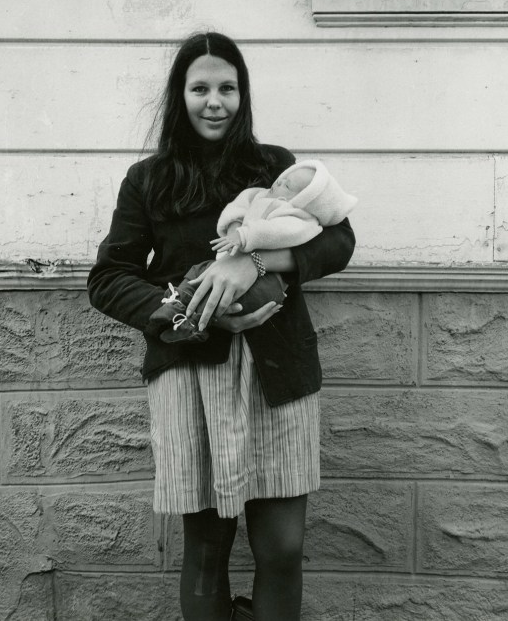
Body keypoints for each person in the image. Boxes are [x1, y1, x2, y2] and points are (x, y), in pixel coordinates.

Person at [87, 32, 355, 621]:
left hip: (276, 374)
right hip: (188, 371)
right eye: (201, 87)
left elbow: (339, 239)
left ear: (243, 94)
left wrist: (250, 260)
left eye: (227, 88)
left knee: (282, 547)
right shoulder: (149, 179)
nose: (215, 101)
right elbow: (109, 277)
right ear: (179, 96)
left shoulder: (276, 167)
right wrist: (191, 309)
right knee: (207, 548)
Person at [145, 159, 357, 343]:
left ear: (303, 199)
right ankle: (176, 306)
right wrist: (233, 227)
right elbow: (238, 206)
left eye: (288, 186)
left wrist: (250, 248)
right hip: (221, 268)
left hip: (267, 284)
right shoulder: (261, 195)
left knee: (232, 297)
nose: (279, 182)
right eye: (282, 179)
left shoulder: (300, 217)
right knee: (198, 273)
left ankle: (193, 326)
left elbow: (279, 233)